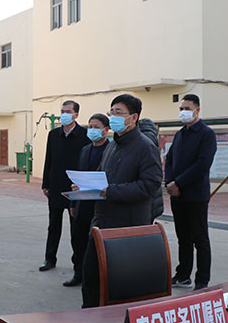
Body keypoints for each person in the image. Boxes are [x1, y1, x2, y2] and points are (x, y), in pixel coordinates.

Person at [81, 94, 162, 308]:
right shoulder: (112, 145)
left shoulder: (145, 147)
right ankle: (89, 319)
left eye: (119, 113)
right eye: (112, 112)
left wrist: (112, 192)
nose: (113, 117)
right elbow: (103, 174)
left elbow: (150, 185)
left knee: (118, 285)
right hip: (101, 223)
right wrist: (85, 185)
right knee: (91, 279)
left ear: (133, 118)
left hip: (126, 227)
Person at [165, 94, 217, 291]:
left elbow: (202, 164)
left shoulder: (206, 134)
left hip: (196, 195)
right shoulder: (180, 134)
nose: (183, 112)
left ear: (197, 110)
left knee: (200, 239)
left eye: (187, 108)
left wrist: (178, 182)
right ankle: (183, 275)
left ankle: (202, 280)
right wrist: (170, 182)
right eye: (181, 109)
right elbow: (169, 159)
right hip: (177, 196)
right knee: (183, 238)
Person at [39, 100, 90, 273]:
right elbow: (49, 160)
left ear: (76, 114)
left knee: (76, 229)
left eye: (68, 111)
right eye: (62, 111)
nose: (64, 115)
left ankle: (78, 264)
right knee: (53, 225)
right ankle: (49, 259)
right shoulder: (54, 135)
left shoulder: (84, 135)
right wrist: (45, 183)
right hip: (55, 187)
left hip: (74, 189)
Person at [65, 114, 110, 287]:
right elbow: (78, 176)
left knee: (96, 244)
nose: (92, 130)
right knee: (78, 241)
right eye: (90, 127)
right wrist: (73, 202)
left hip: (100, 205)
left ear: (106, 130)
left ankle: (97, 279)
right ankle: (79, 274)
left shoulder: (111, 150)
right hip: (82, 203)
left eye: (96, 127)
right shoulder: (85, 150)